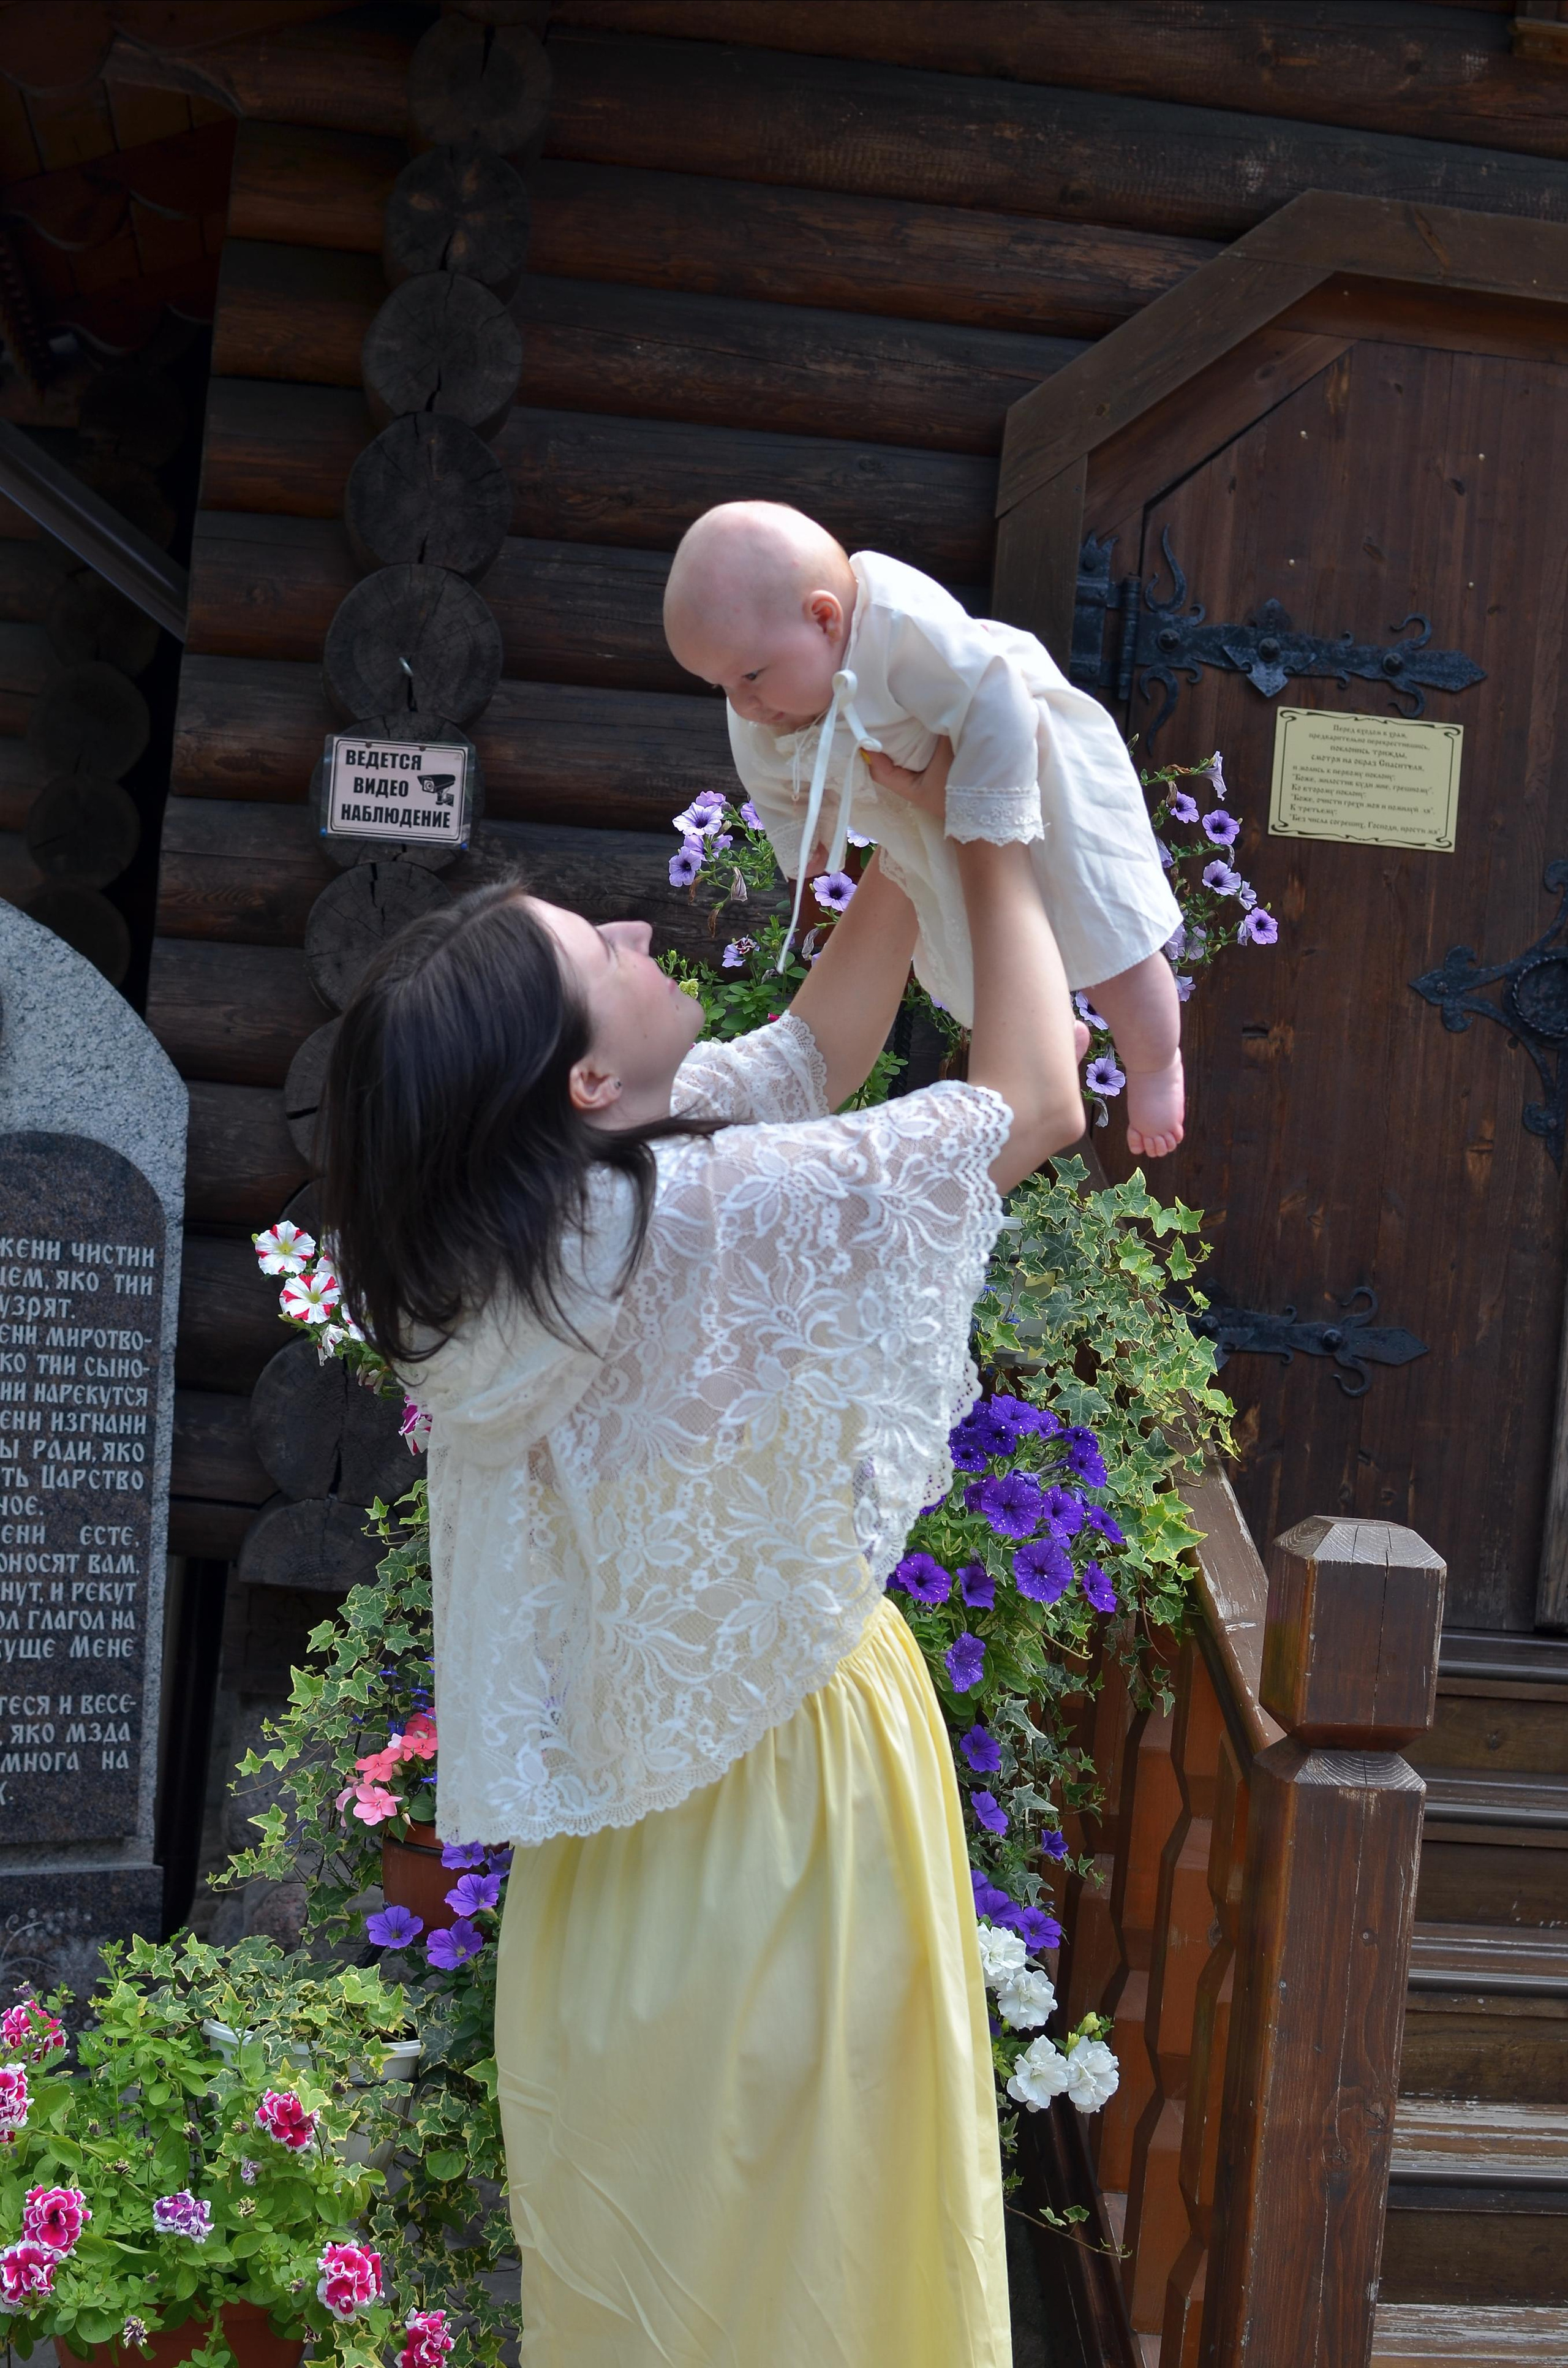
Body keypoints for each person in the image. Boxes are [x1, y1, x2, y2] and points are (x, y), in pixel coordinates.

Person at [315, 750, 1085, 2367]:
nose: (628, 928)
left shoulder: (527, 1247)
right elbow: (1038, 1098)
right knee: (829, 2261)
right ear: (586, 1088)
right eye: (594, 954)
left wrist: (902, 824)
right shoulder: (691, 1214)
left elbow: (814, 1050)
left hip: (619, 1860)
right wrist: (1001, 829)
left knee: (662, 2284)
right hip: (794, 1798)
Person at [663, 498, 1186, 1157]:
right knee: (968, 951)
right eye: (721, 687)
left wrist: (978, 820)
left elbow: (996, 700)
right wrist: (804, 838)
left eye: (749, 678)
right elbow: (765, 769)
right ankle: (1049, 1039)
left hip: (1036, 777)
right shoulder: (767, 697)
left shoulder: (905, 626)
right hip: (930, 816)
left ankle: (1154, 1059)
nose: (743, 704)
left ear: (824, 618)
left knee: (1108, 932)